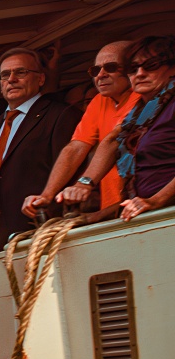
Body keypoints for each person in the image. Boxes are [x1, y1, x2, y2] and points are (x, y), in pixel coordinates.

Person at [23, 40, 135, 220]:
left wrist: (84, 183)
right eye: (95, 70)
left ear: (132, 68)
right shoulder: (100, 101)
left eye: (111, 67)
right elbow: (76, 147)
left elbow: (113, 142)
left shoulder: (144, 97)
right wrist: (47, 195)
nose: (101, 75)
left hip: (140, 204)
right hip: (114, 209)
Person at [0, 48, 78, 241]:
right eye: (5, 75)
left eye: (20, 72)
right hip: (1, 234)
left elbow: (70, 172)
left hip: (43, 230)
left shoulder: (60, 115)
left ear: (40, 79)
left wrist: (49, 216)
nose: (11, 79)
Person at [75, 36, 175, 222]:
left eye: (151, 65)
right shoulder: (141, 111)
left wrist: (156, 201)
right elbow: (113, 140)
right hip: (150, 218)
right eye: (132, 69)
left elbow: (150, 197)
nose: (140, 73)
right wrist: (90, 216)